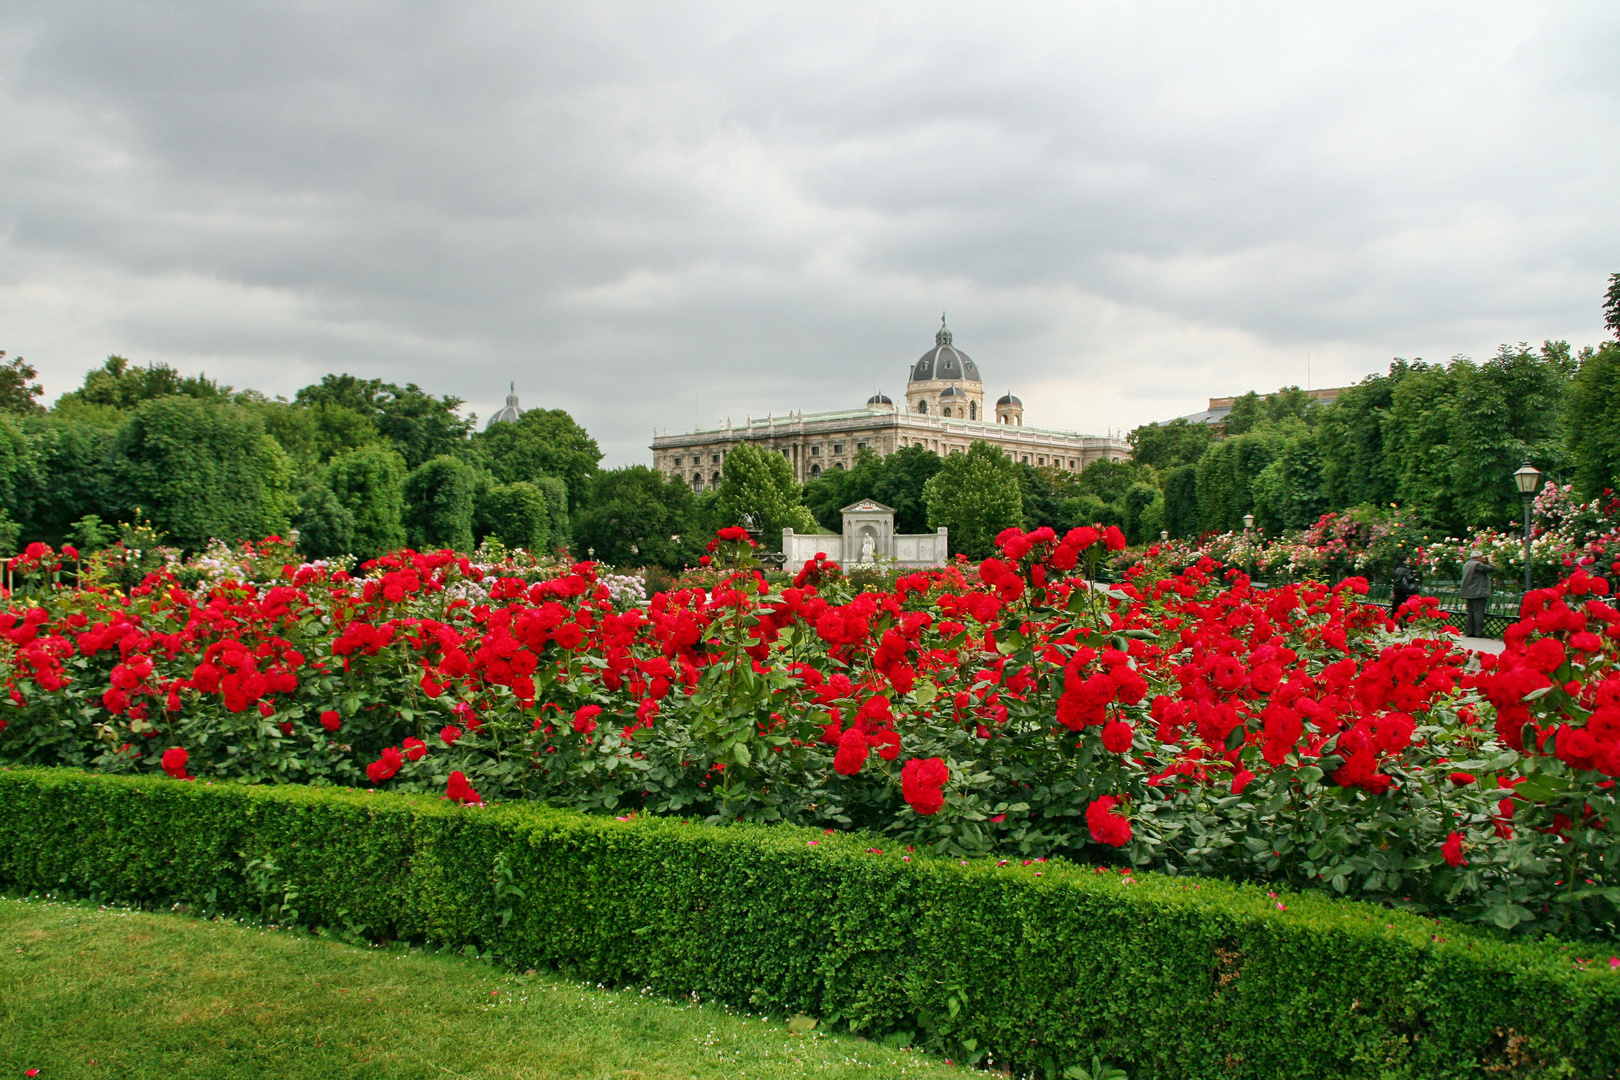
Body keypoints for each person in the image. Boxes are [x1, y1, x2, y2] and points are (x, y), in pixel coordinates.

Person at [1459, 550, 1496, 638]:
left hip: (1469, 592)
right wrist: (1491, 561)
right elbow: (1491, 569)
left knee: (1470, 613)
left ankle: (1469, 631)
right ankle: (1479, 632)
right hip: (1478, 593)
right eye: (1481, 557)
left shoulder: (1467, 564)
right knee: (1478, 613)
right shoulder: (1477, 565)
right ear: (1478, 557)